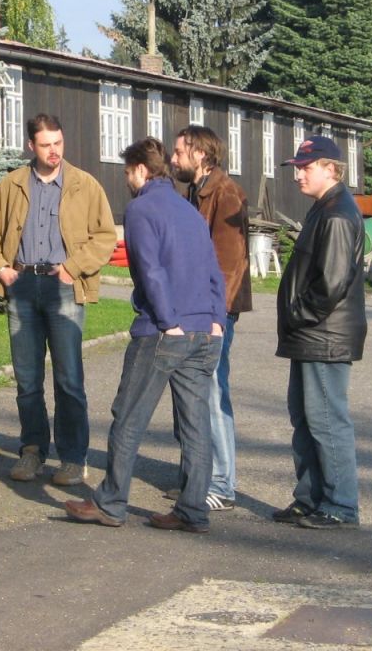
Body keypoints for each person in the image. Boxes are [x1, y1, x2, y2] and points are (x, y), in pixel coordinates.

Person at [64, 138, 226, 533]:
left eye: (127, 172)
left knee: (129, 416)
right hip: (203, 331)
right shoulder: (189, 210)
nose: (126, 180)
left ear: (140, 170)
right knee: (196, 424)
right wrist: (216, 319)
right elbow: (212, 268)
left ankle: (111, 503)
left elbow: (150, 271)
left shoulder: (140, 209)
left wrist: (168, 321)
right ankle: (192, 510)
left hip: (162, 331)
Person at [0, 113, 117, 486]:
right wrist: (1, 268)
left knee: (69, 378)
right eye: (45, 145)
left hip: (64, 286)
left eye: (58, 143)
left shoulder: (84, 185)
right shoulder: (11, 185)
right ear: (31, 145)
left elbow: (106, 236)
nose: (54, 151)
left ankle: (73, 458)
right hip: (22, 285)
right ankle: (32, 451)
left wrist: (73, 267)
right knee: (27, 379)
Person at [272, 135, 367, 530]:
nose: (298, 175)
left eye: (306, 167)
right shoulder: (323, 208)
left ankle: (340, 506)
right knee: (306, 418)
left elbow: (331, 284)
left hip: (323, 335)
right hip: (311, 334)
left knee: (326, 420)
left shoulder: (338, 214)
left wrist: (297, 314)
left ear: (331, 169)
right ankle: (311, 498)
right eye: (296, 167)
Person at [169, 125, 252, 511]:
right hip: (194, 309)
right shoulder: (195, 191)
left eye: (179, 152)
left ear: (200, 155)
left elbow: (230, 263)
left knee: (213, 393)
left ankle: (220, 483)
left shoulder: (225, 193)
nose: (173, 159)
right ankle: (197, 478)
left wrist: (217, 317)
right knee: (191, 393)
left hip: (214, 313)